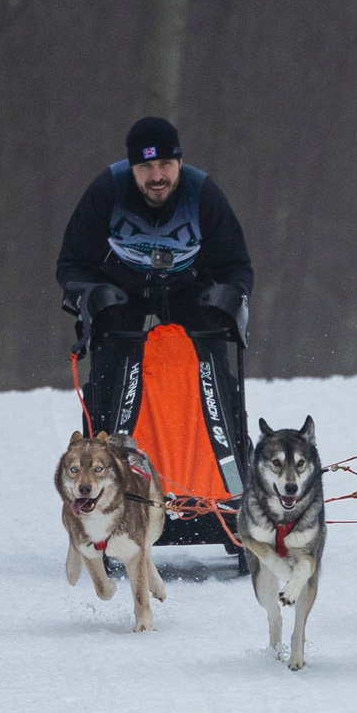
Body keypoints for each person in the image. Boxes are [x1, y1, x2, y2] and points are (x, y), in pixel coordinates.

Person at [56, 117, 253, 471]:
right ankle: (98, 468)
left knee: (213, 370)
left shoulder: (202, 193)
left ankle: (232, 467)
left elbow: (237, 266)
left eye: (165, 164)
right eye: (145, 167)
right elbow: (71, 264)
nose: (157, 176)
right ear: (131, 167)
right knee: (106, 377)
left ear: (180, 162)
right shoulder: (107, 190)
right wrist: (90, 295)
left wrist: (229, 297)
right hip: (122, 288)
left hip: (188, 286)